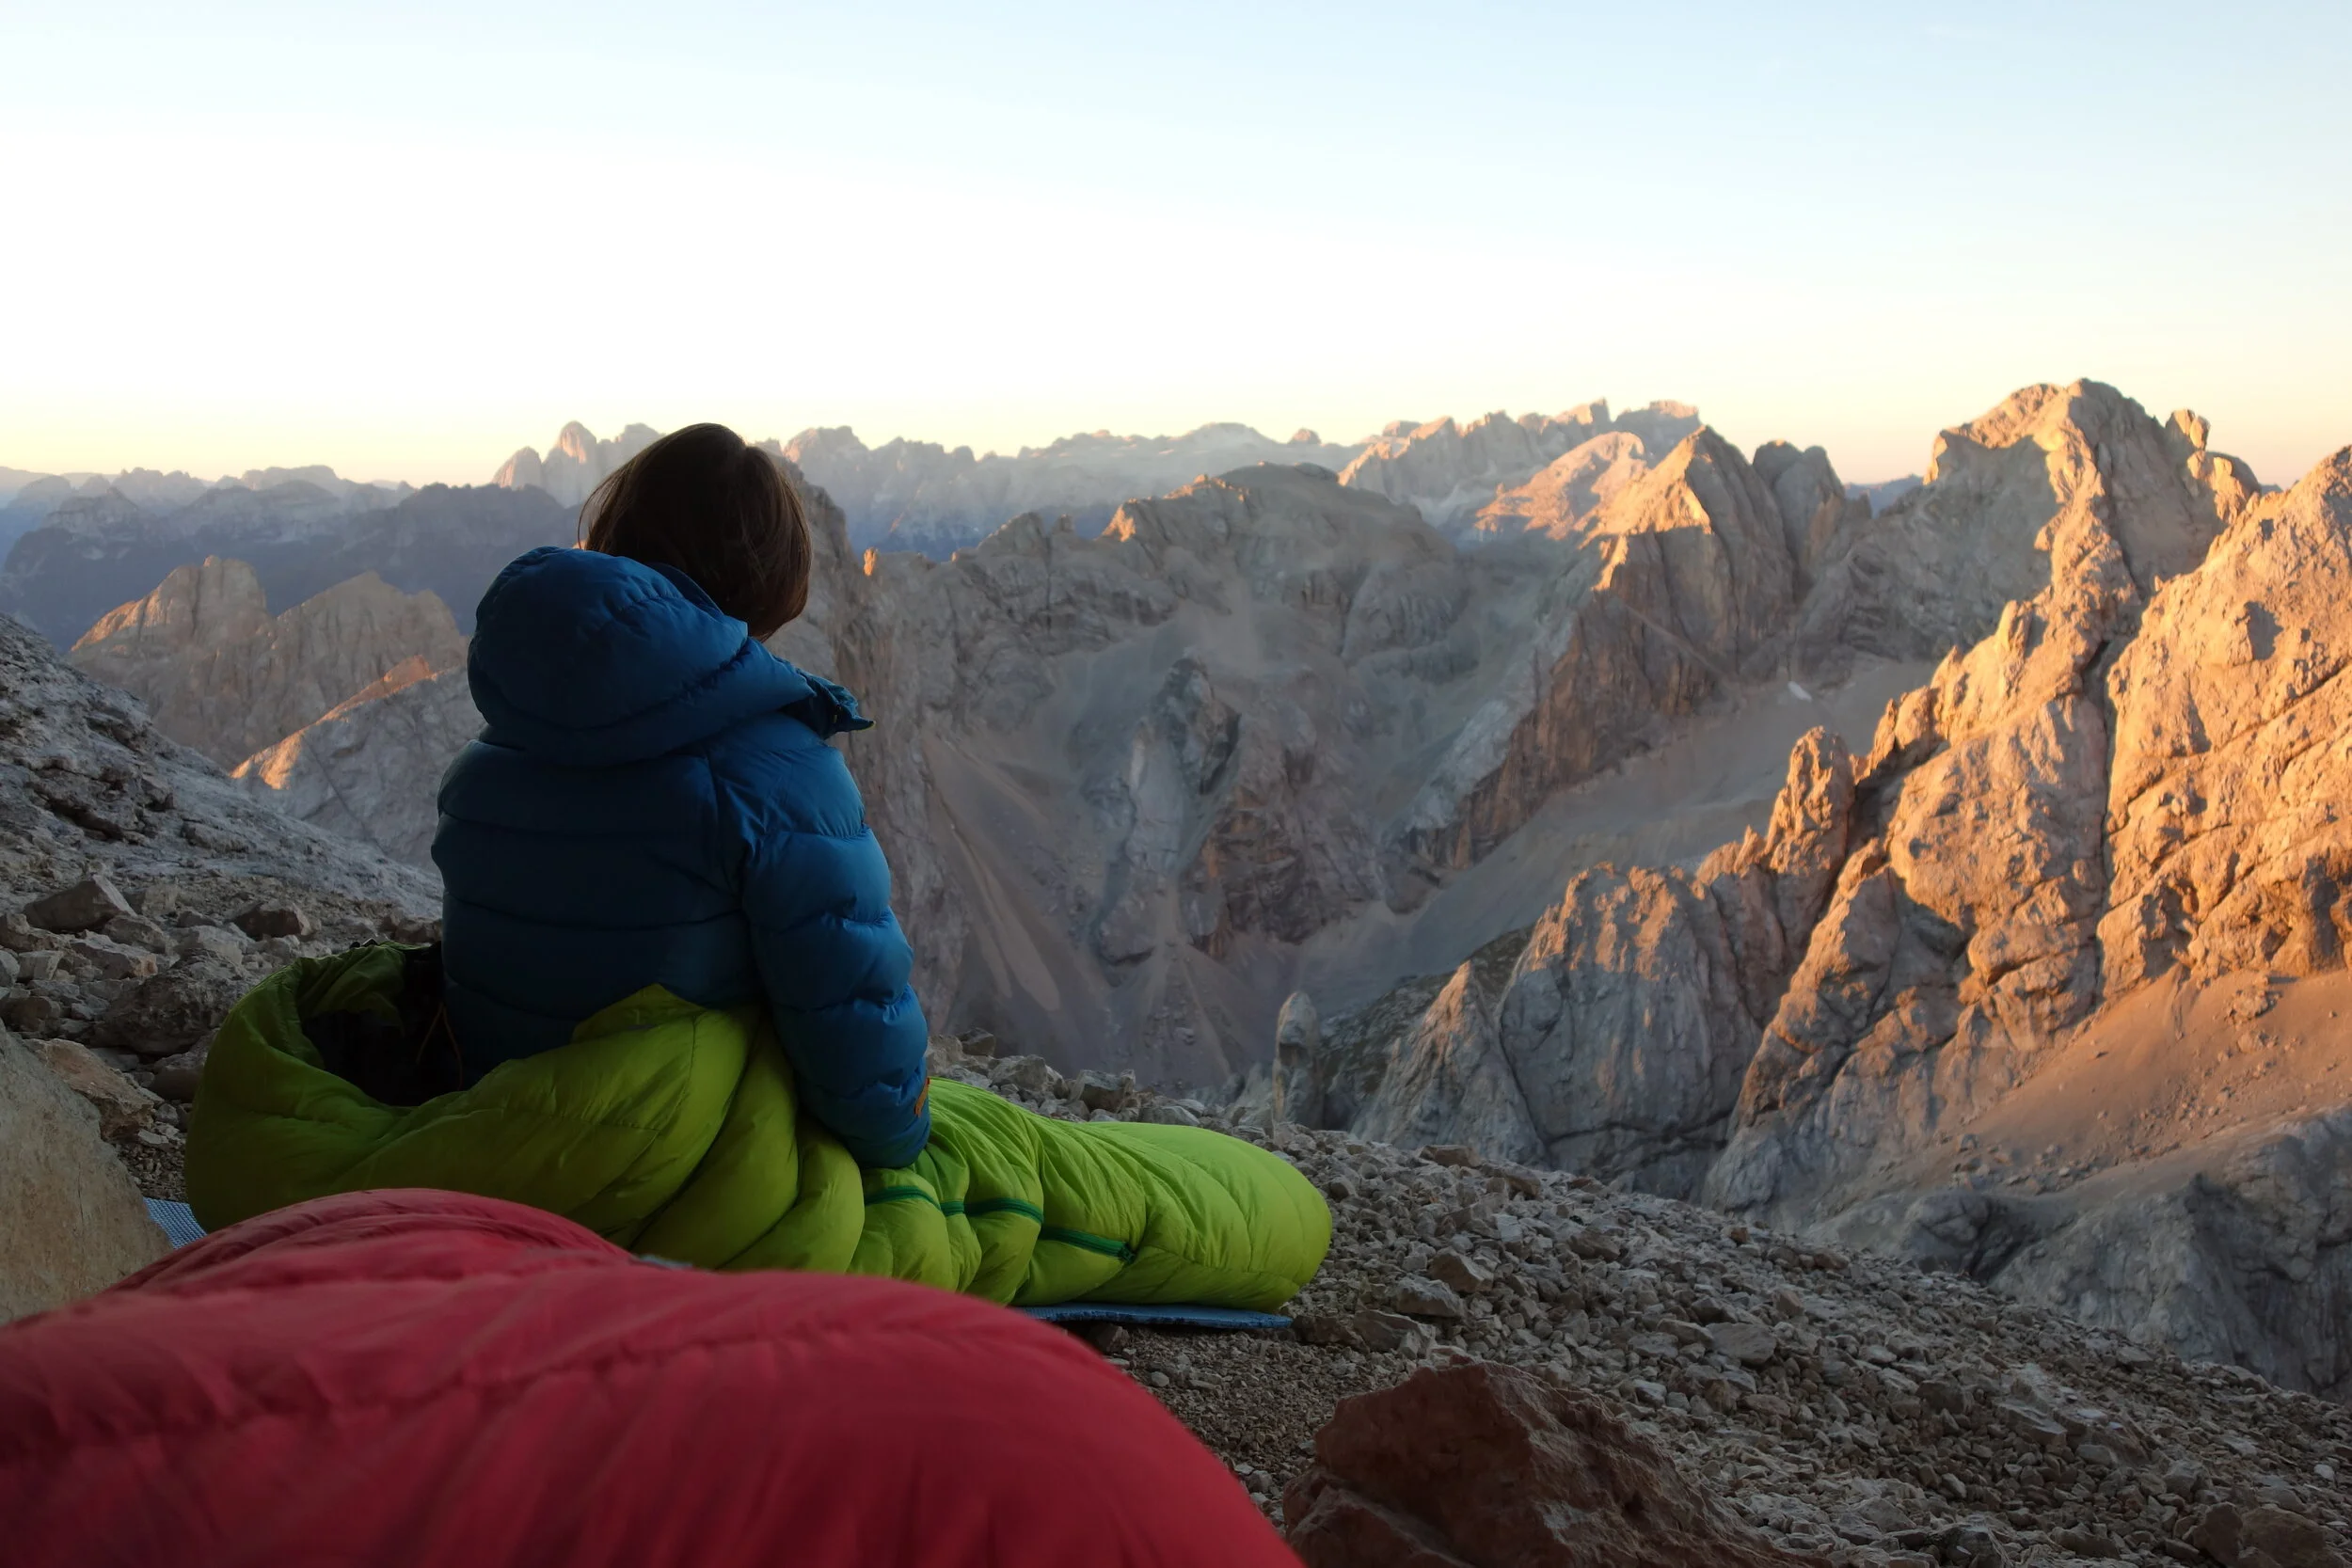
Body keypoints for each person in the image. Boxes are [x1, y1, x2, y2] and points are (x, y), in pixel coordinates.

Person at [432, 423, 929, 1168]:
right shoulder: (780, 776)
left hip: (491, 1144)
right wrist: (908, 1140)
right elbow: (863, 1049)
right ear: (771, 581)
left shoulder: (493, 751)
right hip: (664, 1172)